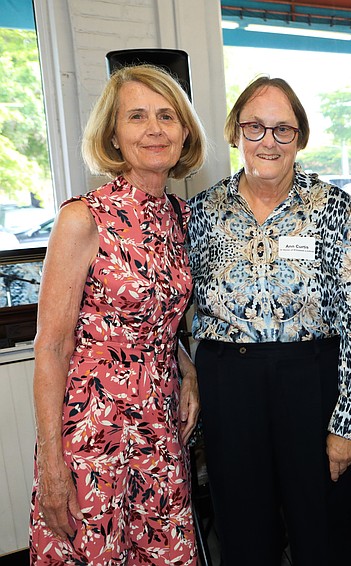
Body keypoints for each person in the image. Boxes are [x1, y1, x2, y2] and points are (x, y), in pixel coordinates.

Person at [187, 76, 351, 566]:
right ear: (234, 132)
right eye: (255, 127)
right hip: (229, 386)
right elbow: (172, 306)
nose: (268, 141)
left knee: (325, 533)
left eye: (283, 129)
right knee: (244, 534)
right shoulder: (202, 212)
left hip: (311, 384)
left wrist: (350, 424)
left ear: (301, 137)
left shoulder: (333, 209)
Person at [30, 64, 207, 564]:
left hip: (160, 428)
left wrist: (186, 367)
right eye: (136, 116)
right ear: (113, 133)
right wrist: (52, 466)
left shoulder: (179, 217)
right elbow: (52, 346)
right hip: (92, 433)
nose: (154, 129)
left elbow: (153, 316)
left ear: (184, 131)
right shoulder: (82, 219)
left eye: (167, 116)